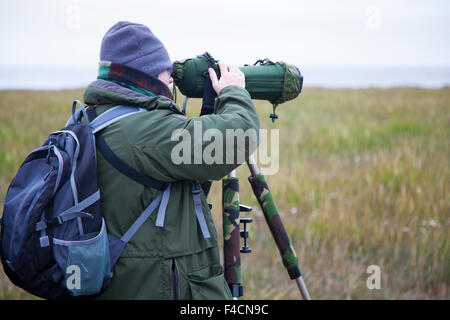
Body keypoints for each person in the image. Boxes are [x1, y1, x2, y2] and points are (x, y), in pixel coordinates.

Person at [84, 21, 260, 299]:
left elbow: (183, 179)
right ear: (146, 74)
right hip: (155, 285)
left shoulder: (95, 117)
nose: (171, 80)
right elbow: (238, 138)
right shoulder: (144, 130)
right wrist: (233, 91)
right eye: (167, 71)